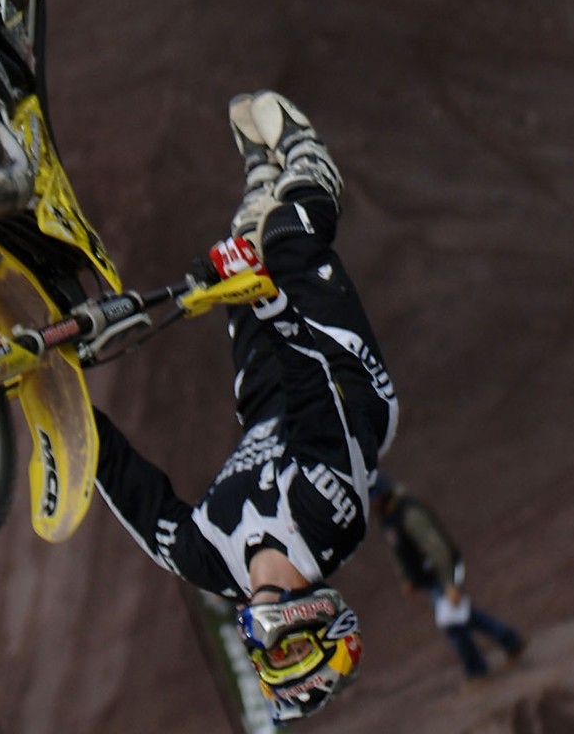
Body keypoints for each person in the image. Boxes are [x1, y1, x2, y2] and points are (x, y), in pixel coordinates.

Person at [93, 90, 400, 722]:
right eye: (292, 655)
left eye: (271, 665)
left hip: (264, 404)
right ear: (319, 623)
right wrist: (268, 299)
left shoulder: (210, 561)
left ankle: (259, 179)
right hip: (345, 386)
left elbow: (135, 497)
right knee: (286, 246)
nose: (269, 653)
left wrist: (65, 420)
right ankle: (307, 161)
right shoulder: (329, 520)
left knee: (237, 255)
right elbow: (315, 388)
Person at [369, 475, 524, 685]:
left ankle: (477, 672)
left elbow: (437, 549)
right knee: (464, 615)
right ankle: (511, 641)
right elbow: (398, 551)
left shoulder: (409, 513)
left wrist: (450, 583)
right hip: (430, 578)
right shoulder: (387, 518)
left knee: (452, 624)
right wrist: (407, 577)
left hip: (441, 575)